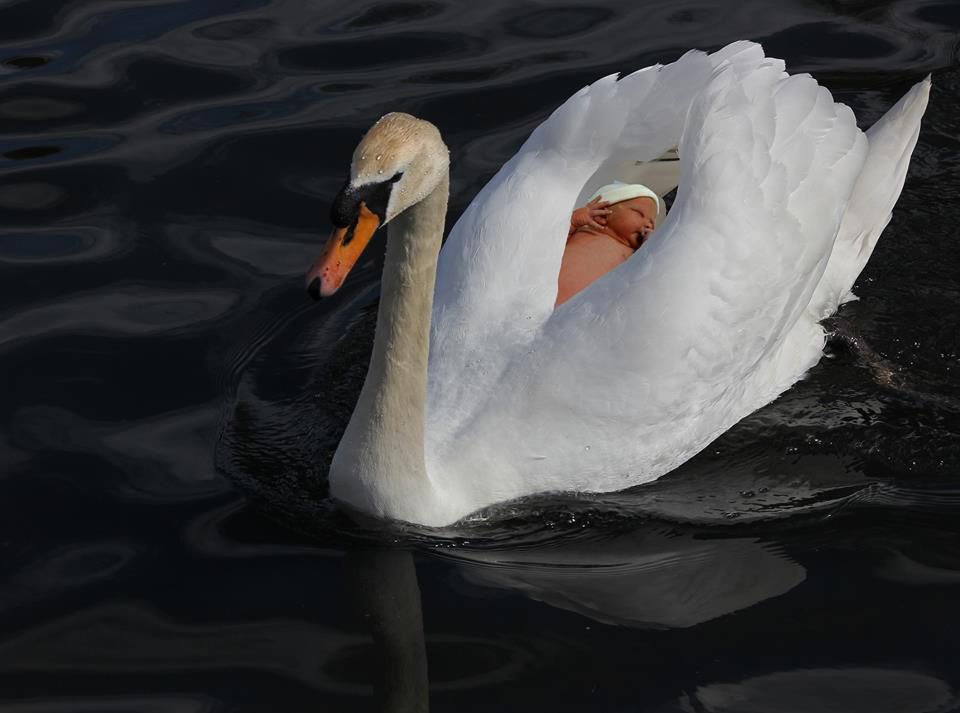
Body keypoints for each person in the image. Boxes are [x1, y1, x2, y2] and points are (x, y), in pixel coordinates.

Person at [556, 182, 661, 305]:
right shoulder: (583, 231)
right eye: (639, 213)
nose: (649, 224)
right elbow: (552, 242)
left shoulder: (634, 254)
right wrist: (574, 220)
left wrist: (649, 247)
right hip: (542, 292)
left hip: (577, 314)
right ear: (603, 211)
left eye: (652, 222)